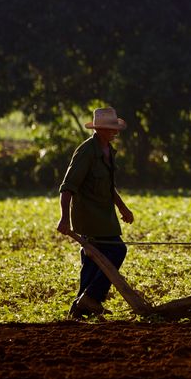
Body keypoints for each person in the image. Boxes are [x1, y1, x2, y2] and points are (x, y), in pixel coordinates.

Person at [57, 107, 135, 319]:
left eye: (115, 128)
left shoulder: (108, 151)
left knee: (92, 260)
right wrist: (64, 217)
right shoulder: (86, 152)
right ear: (99, 129)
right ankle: (92, 297)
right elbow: (67, 187)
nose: (115, 132)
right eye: (110, 128)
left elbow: (109, 186)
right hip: (89, 217)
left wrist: (122, 207)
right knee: (117, 251)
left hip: (105, 215)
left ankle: (80, 308)